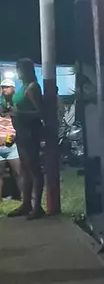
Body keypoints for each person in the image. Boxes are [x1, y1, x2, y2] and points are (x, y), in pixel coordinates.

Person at [7, 59, 46, 219]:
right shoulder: (22, 87)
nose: (18, 72)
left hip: (30, 133)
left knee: (34, 168)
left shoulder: (32, 87)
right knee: (24, 169)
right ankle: (26, 203)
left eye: (20, 69)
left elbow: (40, 113)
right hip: (21, 132)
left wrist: (19, 113)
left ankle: (37, 207)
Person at [0, 79, 22, 202]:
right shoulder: (1, 104)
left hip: (12, 146)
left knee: (18, 173)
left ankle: (23, 198)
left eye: (7, 87)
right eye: (3, 87)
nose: (4, 90)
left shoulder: (16, 104)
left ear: (13, 89)